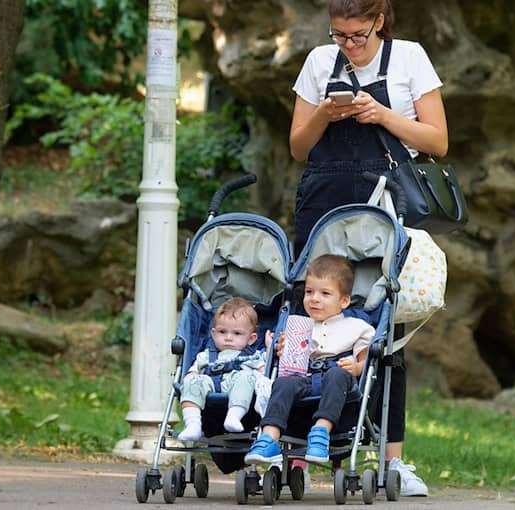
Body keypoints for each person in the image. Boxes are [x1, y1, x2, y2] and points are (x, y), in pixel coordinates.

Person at [285, 0, 445, 496]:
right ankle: (288, 447)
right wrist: (325, 114)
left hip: (384, 206)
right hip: (323, 203)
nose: (349, 45)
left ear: (379, 21)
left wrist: (382, 115)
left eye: (358, 35)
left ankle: (392, 460)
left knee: (383, 330)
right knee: (303, 319)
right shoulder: (319, 61)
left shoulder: (410, 57)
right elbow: (298, 146)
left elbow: (437, 140)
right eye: (340, 35)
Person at [245, 254, 374, 465]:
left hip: (338, 382)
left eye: (325, 293)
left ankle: (320, 432)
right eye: (309, 292)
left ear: (344, 301)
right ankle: (269, 437)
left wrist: (357, 367)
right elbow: (287, 363)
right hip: (303, 378)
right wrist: (283, 350)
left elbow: (365, 362)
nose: (314, 298)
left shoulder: (357, 327)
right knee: (284, 382)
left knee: (337, 374)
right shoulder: (298, 325)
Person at [176, 297, 264, 442]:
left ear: (251, 339)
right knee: (192, 381)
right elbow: (194, 370)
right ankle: (193, 424)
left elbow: (263, 371)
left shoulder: (253, 356)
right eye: (222, 332)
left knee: (246, 377)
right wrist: (191, 376)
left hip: (237, 386)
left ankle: (234, 416)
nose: (228, 338)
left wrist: (261, 375)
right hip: (210, 384)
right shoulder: (206, 355)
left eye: (237, 333)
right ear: (213, 333)